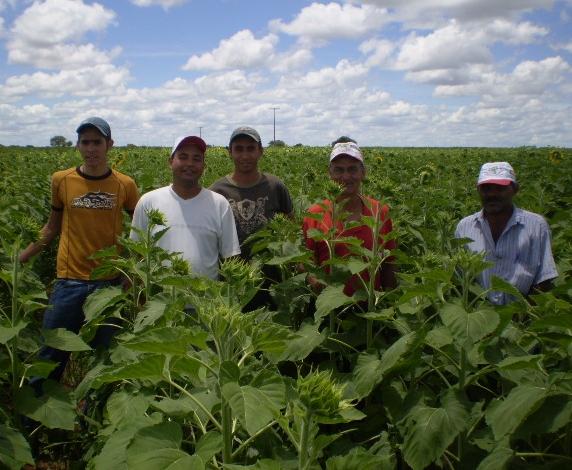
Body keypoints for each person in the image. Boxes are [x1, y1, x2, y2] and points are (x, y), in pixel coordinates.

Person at [19, 116, 139, 386]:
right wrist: (20, 259)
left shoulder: (125, 185)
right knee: (49, 355)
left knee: (108, 360)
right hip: (69, 280)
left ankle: (94, 415)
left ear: (110, 144)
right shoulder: (62, 180)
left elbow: (141, 230)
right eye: (85, 142)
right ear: (78, 146)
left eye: (97, 142)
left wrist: (133, 272)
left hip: (109, 284)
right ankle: (37, 419)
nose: (91, 148)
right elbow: (51, 228)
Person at [130, 135, 240, 281]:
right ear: (171, 162)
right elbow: (135, 253)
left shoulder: (219, 204)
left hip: (206, 300)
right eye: (183, 157)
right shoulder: (149, 202)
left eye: (196, 159)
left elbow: (230, 256)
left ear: (203, 166)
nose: (190, 163)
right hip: (160, 300)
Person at [210, 126, 293, 309]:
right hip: (230, 280)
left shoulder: (275, 186)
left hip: (271, 280)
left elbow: (291, 227)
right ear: (229, 152)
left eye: (250, 148)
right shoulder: (217, 190)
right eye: (239, 149)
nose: (245, 155)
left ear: (260, 151)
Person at [455, 162, 558, 305]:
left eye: (500, 188)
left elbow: (545, 279)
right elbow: (460, 279)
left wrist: (523, 314)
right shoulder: (465, 227)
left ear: (515, 189)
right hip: (480, 312)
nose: (492, 194)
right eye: (486, 188)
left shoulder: (536, 225)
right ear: (478, 190)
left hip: (523, 314)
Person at [302, 142, 397, 297]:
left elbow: (389, 262)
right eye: (339, 170)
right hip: (329, 311)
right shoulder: (314, 214)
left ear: (363, 173)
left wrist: (388, 301)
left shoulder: (380, 211)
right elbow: (306, 264)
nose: (346, 177)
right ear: (330, 174)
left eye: (352, 169)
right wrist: (320, 288)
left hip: (371, 307)